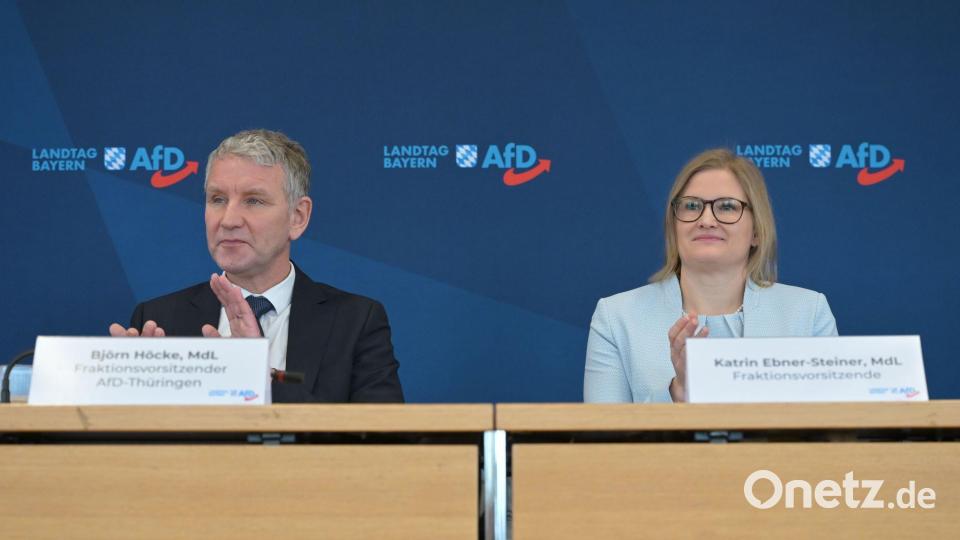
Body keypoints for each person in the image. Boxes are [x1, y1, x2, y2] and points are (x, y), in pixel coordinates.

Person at [109, 129, 404, 403]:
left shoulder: (355, 322)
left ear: (298, 217)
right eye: (218, 199)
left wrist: (260, 374)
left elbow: (382, 443)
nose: (228, 220)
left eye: (253, 201)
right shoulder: (158, 321)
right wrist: (127, 393)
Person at [584, 148, 837, 403]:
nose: (706, 220)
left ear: (757, 231)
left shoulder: (808, 313)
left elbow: (833, 433)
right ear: (674, 226)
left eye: (727, 207)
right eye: (691, 206)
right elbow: (603, 438)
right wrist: (678, 393)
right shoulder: (616, 317)